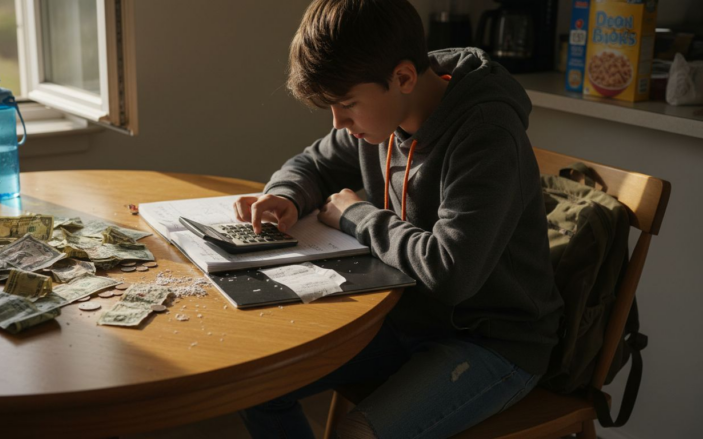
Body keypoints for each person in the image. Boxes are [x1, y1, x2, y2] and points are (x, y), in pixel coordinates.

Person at [234, 0, 563, 437]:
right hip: (406, 318)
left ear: (403, 77)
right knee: (254, 386)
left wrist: (357, 216)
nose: (339, 123)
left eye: (347, 104)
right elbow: (312, 163)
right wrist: (286, 195)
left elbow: (452, 272)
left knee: (356, 433)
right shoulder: (382, 116)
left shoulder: (487, 133)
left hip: (493, 342)